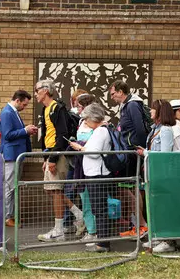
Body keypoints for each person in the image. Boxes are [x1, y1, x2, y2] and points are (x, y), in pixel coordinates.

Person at [34, 79, 84, 242]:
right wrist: (46, 158)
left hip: (58, 154)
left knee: (56, 190)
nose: (35, 94)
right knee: (51, 190)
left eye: (37, 90)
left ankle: (59, 230)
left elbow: (61, 135)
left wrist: (53, 158)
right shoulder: (46, 109)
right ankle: (79, 215)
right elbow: (48, 136)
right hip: (51, 154)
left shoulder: (57, 108)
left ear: (46, 90)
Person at [69, 103, 113, 252]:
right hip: (95, 172)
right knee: (99, 209)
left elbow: (93, 153)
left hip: (97, 173)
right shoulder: (100, 130)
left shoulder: (100, 131)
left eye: (87, 119)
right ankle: (102, 242)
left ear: (93, 118)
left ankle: (102, 244)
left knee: (99, 210)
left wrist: (80, 148)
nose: (85, 122)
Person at [136, 99, 176, 253]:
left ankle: (168, 240)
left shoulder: (165, 130)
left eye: (153, 109)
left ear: (160, 112)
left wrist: (145, 152)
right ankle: (159, 236)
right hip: (152, 172)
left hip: (162, 173)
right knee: (155, 206)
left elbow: (164, 154)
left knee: (164, 206)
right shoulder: (155, 129)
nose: (150, 112)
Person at [109, 80, 148, 236]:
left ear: (120, 91)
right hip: (130, 152)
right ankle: (138, 225)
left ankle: (141, 226)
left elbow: (139, 129)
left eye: (112, 94)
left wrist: (140, 149)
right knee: (130, 187)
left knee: (132, 187)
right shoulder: (127, 105)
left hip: (133, 153)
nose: (112, 97)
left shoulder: (131, 105)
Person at [0, 90, 38, 227]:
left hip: (16, 154)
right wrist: (25, 130)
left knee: (13, 186)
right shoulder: (7, 113)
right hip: (11, 155)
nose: (24, 107)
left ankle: (10, 215)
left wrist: (26, 131)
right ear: (18, 100)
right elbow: (7, 134)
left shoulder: (12, 112)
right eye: (24, 104)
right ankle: (7, 216)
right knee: (9, 187)